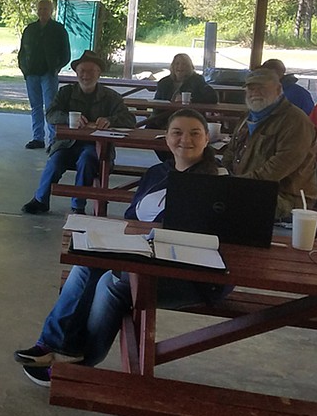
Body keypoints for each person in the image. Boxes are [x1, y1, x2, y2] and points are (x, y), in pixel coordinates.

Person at [15, 109, 227, 387]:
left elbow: (221, 235)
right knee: (87, 261)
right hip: (145, 255)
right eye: (177, 132)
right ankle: (52, 344)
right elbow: (131, 217)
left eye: (194, 133)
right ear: (166, 139)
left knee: (112, 282)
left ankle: (80, 361)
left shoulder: (219, 181)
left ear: (206, 139)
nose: (184, 139)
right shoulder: (157, 173)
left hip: (188, 271)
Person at [21, 50, 135, 215]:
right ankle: (40, 199)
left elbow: (130, 120)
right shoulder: (66, 92)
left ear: (99, 73)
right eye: (82, 71)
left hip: (96, 146)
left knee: (87, 160)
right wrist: (68, 118)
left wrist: (110, 120)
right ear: (76, 72)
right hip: (67, 144)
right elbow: (51, 114)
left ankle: (78, 205)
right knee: (55, 161)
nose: (86, 75)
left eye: (91, 71)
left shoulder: (111, 97)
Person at [221, 68, 317, 220]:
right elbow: (230, 153)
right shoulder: (247, 117)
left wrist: (235, 186)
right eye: (251, 88)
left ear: (279, 89)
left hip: (284, 197)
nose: (255, 92)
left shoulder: (296, 121)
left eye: (262, 88)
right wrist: (221, 176)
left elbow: (277, 168)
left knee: (225, 206)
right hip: (245, 189)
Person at [18, 0, 71, 150]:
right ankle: (38, 138)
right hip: (31, 74)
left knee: (50, 107)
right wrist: (24, 69)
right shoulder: (30, 29)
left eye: (46, 9)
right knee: (35, 107)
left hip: (49, 74)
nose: (42, 11)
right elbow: (22, 52)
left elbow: (66, 53)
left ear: (51, 10)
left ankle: (54, 139)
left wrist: (56, 67)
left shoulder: (58, 30)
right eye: (40, 9)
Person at [148, 53, 217, 130]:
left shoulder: (197, 80)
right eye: (177, 64)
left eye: (184, 64)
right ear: (172, 66)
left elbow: (213, 98)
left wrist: (190, 99)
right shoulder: (164, 82)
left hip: (189, 117)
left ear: (189, 67)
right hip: (164, 117)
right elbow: (157, 102)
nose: (180, 67)